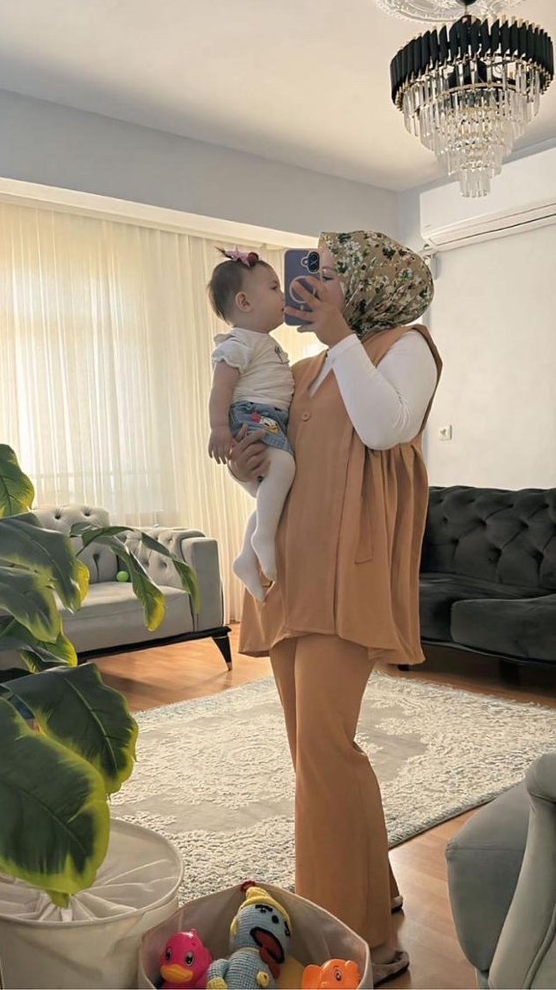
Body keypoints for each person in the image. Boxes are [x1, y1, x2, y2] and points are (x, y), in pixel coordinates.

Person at [229, 230, 442, 985]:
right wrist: (245, 465)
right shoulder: (303, 367)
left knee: (325, 748)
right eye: (309, 271)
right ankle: (373, 893)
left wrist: (340, 336)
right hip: (288, 571)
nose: (309, 283)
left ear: (365, 279)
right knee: (310, 751)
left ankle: (361, 943)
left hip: (346, 573)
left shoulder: (404, 346)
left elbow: (386, 427)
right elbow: (280, 474)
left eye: (324, 271)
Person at [207, 248, 295, 601]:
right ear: (244, 302)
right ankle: (263, 538)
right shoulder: (240, 341)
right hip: (253, 413)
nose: (283, 295)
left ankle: (246, 557)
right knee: (283, 467)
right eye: (274, 288)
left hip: (271, 416)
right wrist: (219, 427)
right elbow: (221, 387)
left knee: (273, 491)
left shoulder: (262, 342)